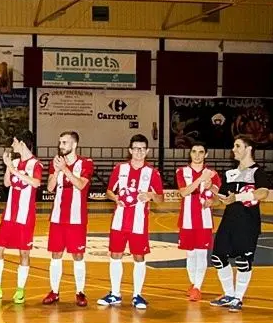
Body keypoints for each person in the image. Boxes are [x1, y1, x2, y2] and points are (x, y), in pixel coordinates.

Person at [98, 134, 163, 310]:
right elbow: (109, 191)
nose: (139, 152)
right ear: (130, 150)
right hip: (119, 220)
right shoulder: (120, 169)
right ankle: (115, 294)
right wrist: (116, 198)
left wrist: (150, 195)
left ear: (147, 151)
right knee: (115, 255)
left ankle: (137, 295)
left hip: (139, 222)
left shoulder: (152, 173)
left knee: (139, 257)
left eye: (142, 149)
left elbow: (160, 198)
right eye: (135, 148)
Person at [0, 130, 42, 303]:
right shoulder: (14, 162)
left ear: (22, 143)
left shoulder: (36, 164)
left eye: (14, 142)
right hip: (9, 216)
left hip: (25, 216)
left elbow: (36, 183)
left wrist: (14, 170)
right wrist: (8, 166)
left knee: (24, 253)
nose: (12, 145)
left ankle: (20, 290)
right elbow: (7, 183)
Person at [210, 135, 270, 312]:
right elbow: (222, 199)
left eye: (237, 146)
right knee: (218, 257)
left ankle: (238, 298)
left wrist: (238, 197)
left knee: (244, 261)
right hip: (228, 222)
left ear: (248, 148)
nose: (233, 150)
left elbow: (263, 193)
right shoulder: (230, 173)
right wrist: (210, 189)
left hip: (248, 224)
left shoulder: (258, 172)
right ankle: (229, 294)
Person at [42, 131, 92, 307]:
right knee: (56, 254)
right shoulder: (55, 163)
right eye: (60, 142)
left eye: (64, 142)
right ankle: (54, 291)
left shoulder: (85, 163)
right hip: (57, 216)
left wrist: (64, 169)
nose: (61, 145)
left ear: (74, 144)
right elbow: (50, 188)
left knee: (78, 255)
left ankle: (80, 292)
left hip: (77, 217)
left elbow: (81, 185)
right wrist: (56, 171)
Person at [176, 142, 221, 302]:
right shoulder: (182, 171)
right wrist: (200, 179)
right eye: (194, 151)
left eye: (201, 152)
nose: (197, 155)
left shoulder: (213, 174)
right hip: (187, 220)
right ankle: (194, 283)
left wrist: (212, 199)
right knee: (190, 254)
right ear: (190, 154)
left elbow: (218, 199)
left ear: (206, 154)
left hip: (205, 221)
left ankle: (197, 288)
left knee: (201, 254)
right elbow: (184, 192)